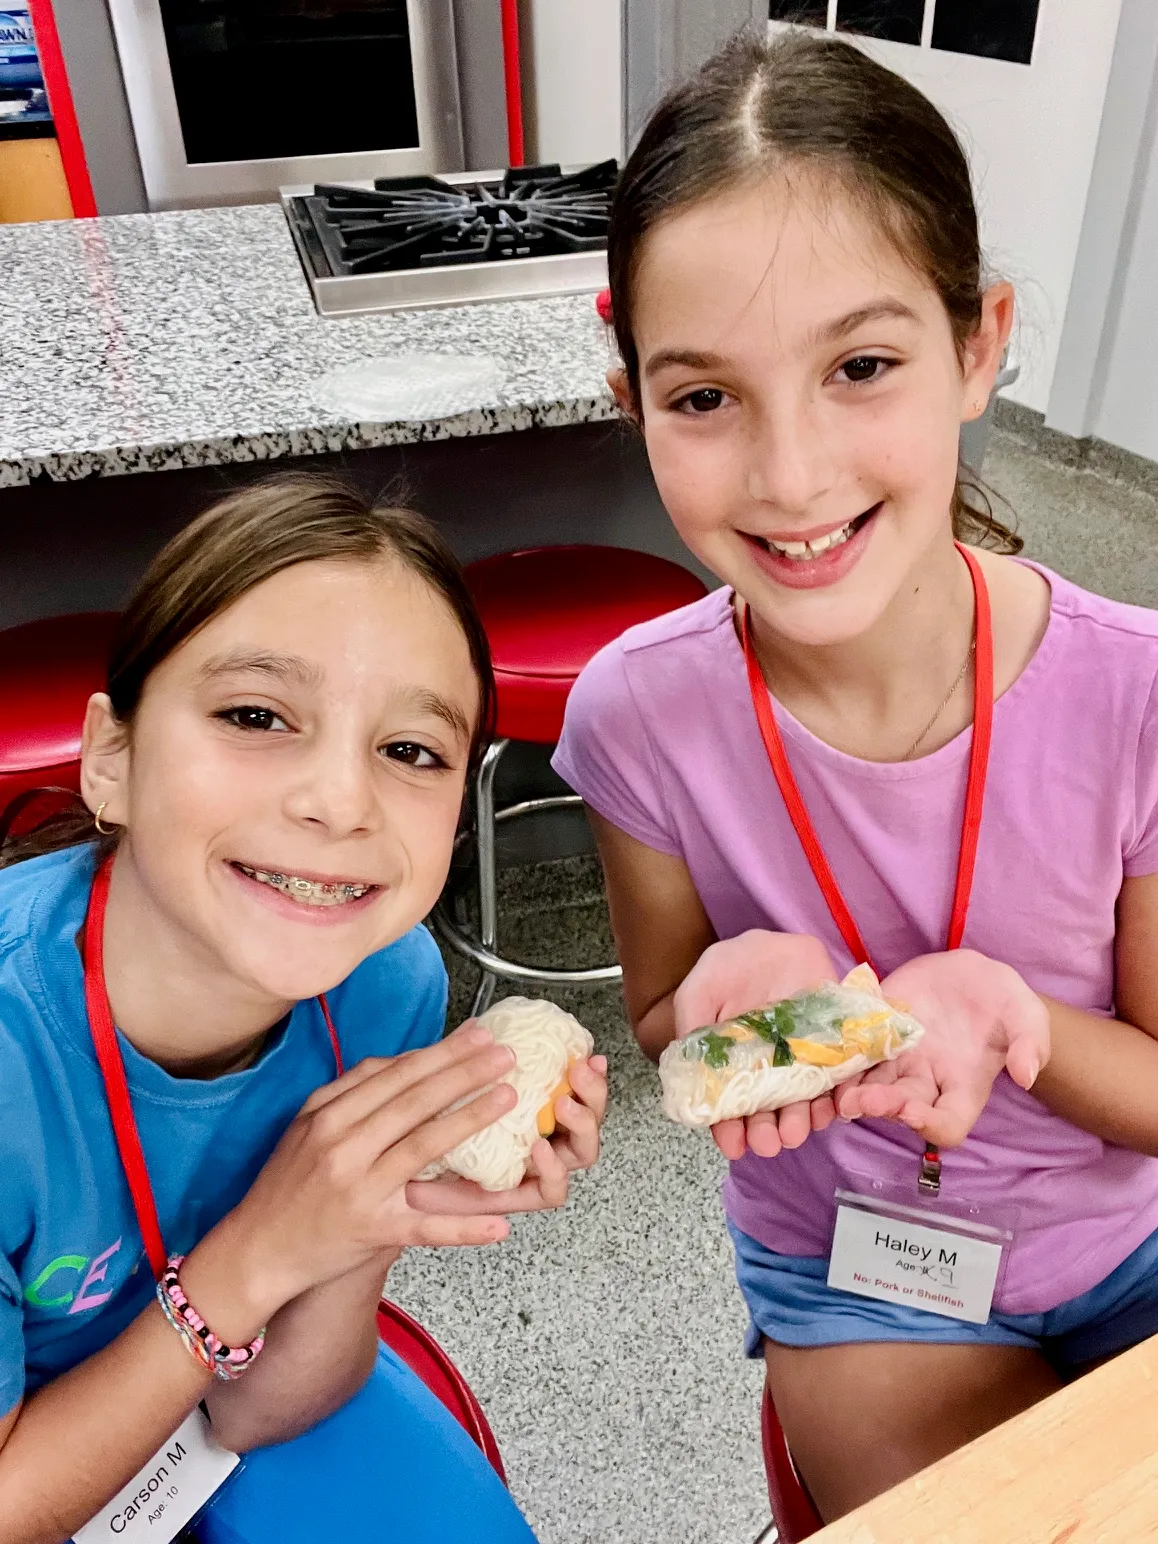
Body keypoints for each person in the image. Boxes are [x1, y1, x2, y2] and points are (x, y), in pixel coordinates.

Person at [553, 29, 1158, 1522]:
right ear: (631, 395)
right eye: (704, 398)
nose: (790, 475)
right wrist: (719, 1002)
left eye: (861, 367)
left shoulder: (1135, 694)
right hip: (860, 1277)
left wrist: (1020, 1022)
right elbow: (661, 1015)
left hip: (1130, 1248)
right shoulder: (639, 714)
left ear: (978, 345)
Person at [0, 474, 608, 1544]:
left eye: (411, 750)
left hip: (212, 1378)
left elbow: (264, 1406)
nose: (339, 801)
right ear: (112, 757)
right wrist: (257, 1254)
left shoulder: (388, 982)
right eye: (255, 715)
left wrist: (377, 1202)